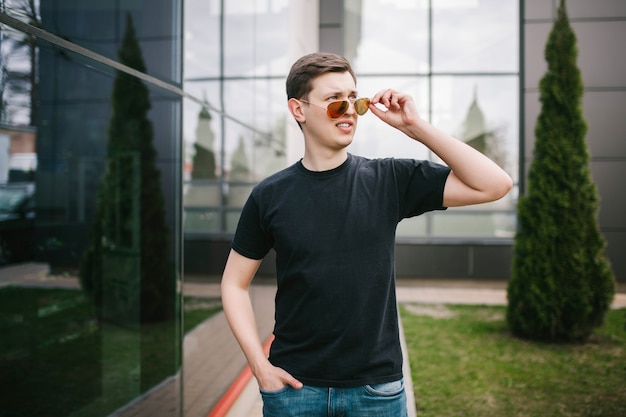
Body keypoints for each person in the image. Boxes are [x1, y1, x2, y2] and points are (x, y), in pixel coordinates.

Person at [221, 52, 512, 417]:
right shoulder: (269, 196)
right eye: (333, 101)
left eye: (354, 99)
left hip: (377, 393)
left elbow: (495, 184)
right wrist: (259, 367)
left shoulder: (389, 180)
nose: (347, 111)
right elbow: (234, 284)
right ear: (298, 110)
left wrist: (415, 127)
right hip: (295, 390)